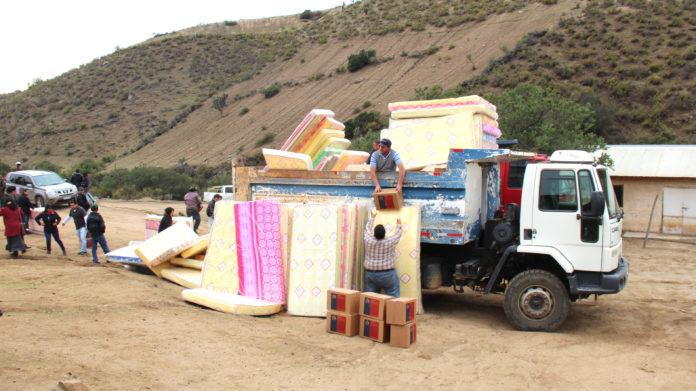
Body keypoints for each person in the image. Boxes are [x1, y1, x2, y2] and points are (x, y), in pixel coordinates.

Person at [363, 210, 402, 297]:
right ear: (384, 234)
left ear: (374, 233)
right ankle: (393, 310)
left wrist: (372, 218)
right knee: (393, 296)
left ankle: (371, 310)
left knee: (371, 298)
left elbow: (367, 229)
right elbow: (398, 234)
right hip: (387, 275)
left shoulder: (368, 240)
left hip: (370, 274)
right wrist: (398, 224)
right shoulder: (390, 242)